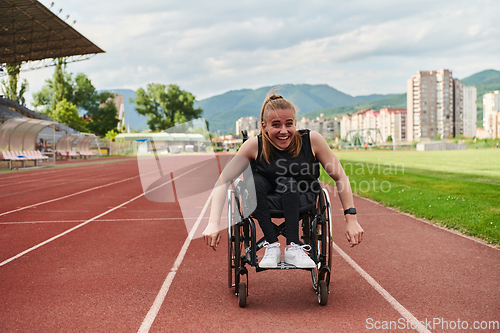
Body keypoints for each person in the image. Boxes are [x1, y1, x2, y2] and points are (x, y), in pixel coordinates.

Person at [203, 91, 363, 268]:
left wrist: (351, 218)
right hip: (262, 200)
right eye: (276, 125)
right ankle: (272, 245)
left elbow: (340, 176)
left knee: (289, 182)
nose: (284, 131)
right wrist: (213, 222)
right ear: (264, 126)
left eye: (289, 124)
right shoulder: (254, 145)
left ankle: (293, 247)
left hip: (303, 198)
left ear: (295, 123)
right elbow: (223, 180)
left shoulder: (313, 140)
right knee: (254, 181)